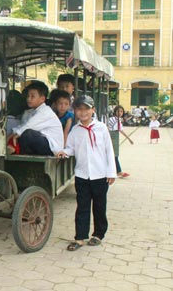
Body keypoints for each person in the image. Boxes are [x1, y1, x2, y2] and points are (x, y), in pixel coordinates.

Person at [57, 95, 116, 251]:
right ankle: (80, 237)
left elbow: (109, 151)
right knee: (82, 206)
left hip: (100, 175)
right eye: (79, 109)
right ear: (75, 111)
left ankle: (98, 234)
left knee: (99, 206)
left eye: (86, 109)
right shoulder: (75, 130)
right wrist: (64, 152)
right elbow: (71, 148)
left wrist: (111, 172)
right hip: (82, 175)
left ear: (93, 110)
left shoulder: (101, 128)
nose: (83, 112)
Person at [7, 82, 63, 156]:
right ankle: (14, 149)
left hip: (52, 148)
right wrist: (7, 138)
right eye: (28, 96)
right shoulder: (28, 112)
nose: (28, 99)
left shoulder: (45, 112)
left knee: (28, 134)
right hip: (38, 143)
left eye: (32, 96)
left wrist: (14, 136)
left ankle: (16, 150)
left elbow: (27, 127)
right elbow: (19, 127)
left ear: (42, 99)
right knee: (21, 134)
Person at [108, 105, 133, 178]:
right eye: (118, 111)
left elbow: (121, 130)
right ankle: (119, 171)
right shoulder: (112, 119)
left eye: (121, 111)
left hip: (115, 138)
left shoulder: (118, 120)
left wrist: (129, 139)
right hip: (111, 137)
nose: (120, 113)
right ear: (115, 111)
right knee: (114, 155)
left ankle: (116, 171)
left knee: (114, 155)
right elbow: (108, 128)